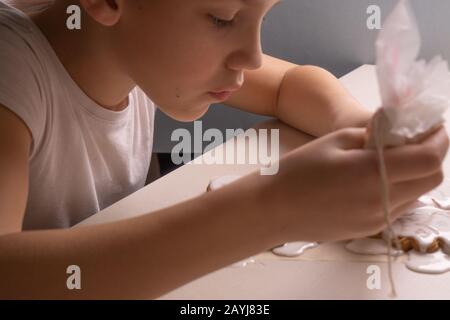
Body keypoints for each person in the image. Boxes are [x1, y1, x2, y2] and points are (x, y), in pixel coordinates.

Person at [0, 0, 448, 299]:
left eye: (262, 18)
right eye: (222, 19)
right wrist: (273, 209)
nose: (252, 58)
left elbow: (287, 85)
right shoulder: (13, 73)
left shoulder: (131, 48)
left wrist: (360, 128)